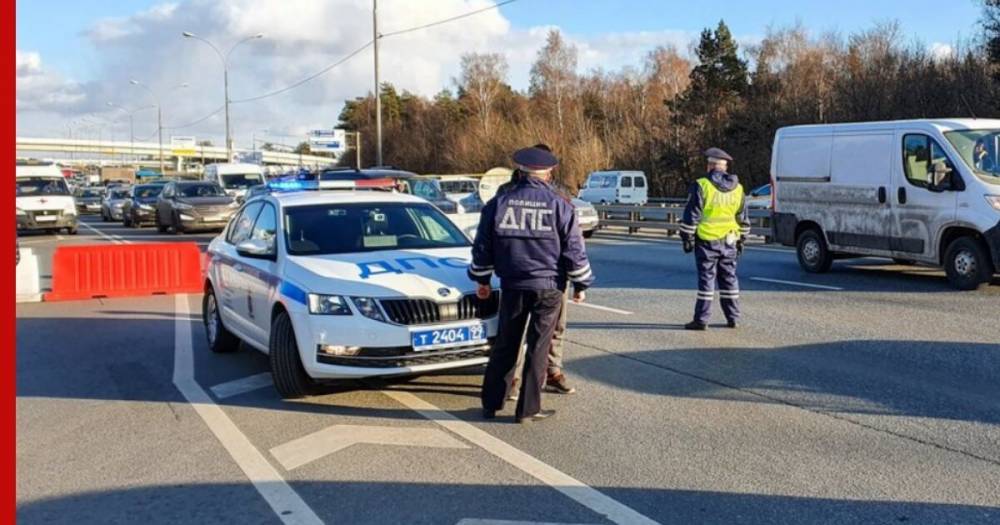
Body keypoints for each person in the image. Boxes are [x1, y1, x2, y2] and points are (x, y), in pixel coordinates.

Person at [469, 146, 594, 423]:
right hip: (548, 286)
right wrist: (581, 284)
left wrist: (481, 279)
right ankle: (528, 409)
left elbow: (483, 247)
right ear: (548, 172)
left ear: (520, 170)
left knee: (506, 343)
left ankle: (491, 402)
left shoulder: (499, 202)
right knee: (539, 347)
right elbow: (574, 250)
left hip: (513, 283)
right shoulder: (560, 204)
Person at [498, 144, 577, 401]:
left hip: (554, 274)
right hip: (526, 274)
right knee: (519, 332)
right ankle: (514, 379)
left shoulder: (560, 192)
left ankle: (552, 372)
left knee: (556, 328)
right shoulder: (507, 192)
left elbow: (571, 235)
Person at [678, 147, 750, 330]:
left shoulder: (702, 185)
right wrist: (743, 239)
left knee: (707, 281)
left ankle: (702, 319)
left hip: (707, 240)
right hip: (730, 240)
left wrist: (686, 237)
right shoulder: (738, 188)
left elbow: (692, 214)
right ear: (725, 167)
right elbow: (742, 217)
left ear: (710, 166)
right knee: (729, 279)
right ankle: (733, 317)